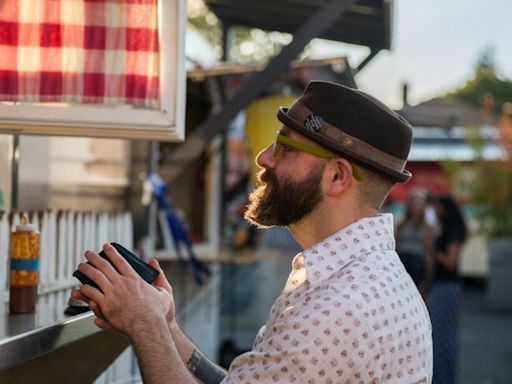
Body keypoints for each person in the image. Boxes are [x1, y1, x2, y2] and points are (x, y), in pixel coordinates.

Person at [72, 81, 433, 383]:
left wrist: (143, 322)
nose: (263, 158)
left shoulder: (336, 310)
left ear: (337, 177)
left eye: (286, 146)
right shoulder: (364, 278)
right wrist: (166, 327)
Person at [430, 196, 467, 384]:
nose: (435, 209)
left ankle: (444, 378)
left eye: (438, 206)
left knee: (444, 334)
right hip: (443, 285)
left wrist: (432, 250)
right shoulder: (448, 228)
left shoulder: (453, 230)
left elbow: (451, 262)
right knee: (441, 333)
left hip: (447, 285)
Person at [396, 190, 434, 297]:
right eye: (415, 203)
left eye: (420, 204)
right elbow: (397, 245)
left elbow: (429, 250)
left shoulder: (427, 227)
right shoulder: (401, 224)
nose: (417, 207)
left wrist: (428, 274)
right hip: (402, 259)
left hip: (418, 260)